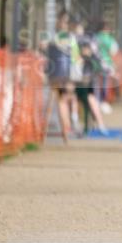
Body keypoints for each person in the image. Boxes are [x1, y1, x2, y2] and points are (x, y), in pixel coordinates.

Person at [42, 12, 78, 144]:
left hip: (58, 74)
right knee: (62, 101)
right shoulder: (69, 37)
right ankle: (67, 128)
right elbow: (75, 57)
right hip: (63, 74)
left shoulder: (53, 36)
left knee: (59, 101)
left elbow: (43, 47)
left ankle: (66, 129)